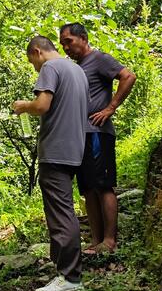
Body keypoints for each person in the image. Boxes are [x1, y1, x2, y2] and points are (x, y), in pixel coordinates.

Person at [12, 35, 88, 291]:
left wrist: (25, 106)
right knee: (64, 208)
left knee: (60, 212)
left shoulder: (50, 68)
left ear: (37, 52)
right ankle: (64, 271)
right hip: (75, 147)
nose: (34, 67)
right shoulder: (77, 70)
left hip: (55, 150)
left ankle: (70, 278)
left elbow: (43, 105)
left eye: (31, 61)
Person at [59, 22, 137, 255]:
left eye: (68, 41)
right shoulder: (77, 67)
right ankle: (96, 240)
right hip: (79, 135)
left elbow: (128, 76)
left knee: (103, 186)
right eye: (62, 44)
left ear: (83, 38)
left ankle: (110, 240)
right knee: (87, 189)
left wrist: (111, 107)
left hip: (97, 133)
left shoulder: (99, 58)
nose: (65, 48)